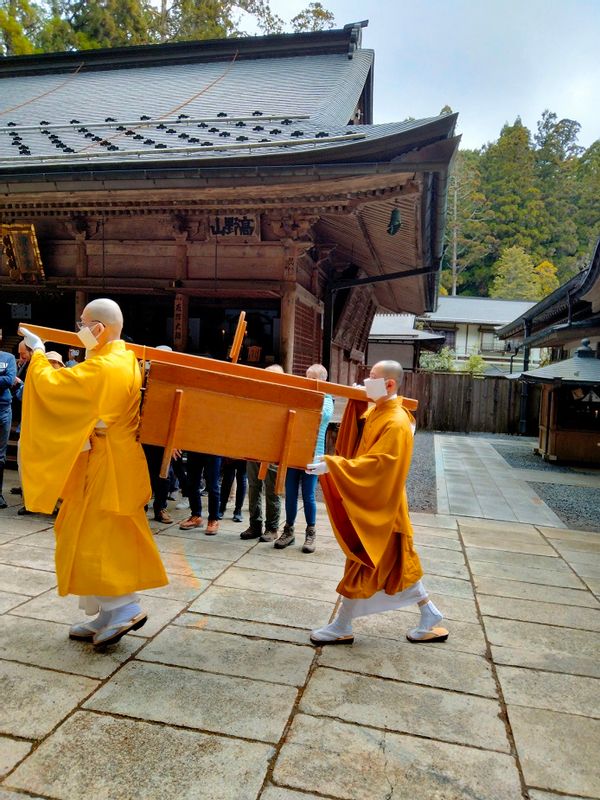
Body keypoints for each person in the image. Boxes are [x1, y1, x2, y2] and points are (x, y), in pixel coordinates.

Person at [19, 299, 168, 648]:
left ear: (98, 329)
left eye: (82, 324)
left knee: (100, 536)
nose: (79, 331)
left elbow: (58, 389)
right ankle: (106, 609)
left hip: (109, 464)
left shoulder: (107, 366)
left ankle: (123, 606)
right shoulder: (119, 357)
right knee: (84, 530)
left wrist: (39, 354)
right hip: (107, 458)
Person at [306, 360, 448, 646]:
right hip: (387, 506)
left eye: (371, 377)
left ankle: (342, 625)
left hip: (385, 508)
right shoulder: (382, 410)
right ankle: (429, 613)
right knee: (398, 568)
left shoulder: (395, 421)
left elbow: (379, 465)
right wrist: (360, 401)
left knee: (364, 562)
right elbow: (362, 435)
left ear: (390, 384)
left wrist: (334, 465)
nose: (365, 381)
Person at [278, 363, 334, 553]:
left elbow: (323, 415)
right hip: (294, 449)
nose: (308, 381)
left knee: (308, 495)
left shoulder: (327, 399)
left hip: (313, 453)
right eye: (307, 377)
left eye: (312, 378)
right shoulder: (301, 395)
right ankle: (289, 530)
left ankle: (311, 532)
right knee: (290, 492)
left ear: (322, 380)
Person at [240, 363, 283, 542]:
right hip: (255, 448)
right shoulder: (257, 394)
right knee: (254, 487)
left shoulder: (284, 397)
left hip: (273, 451)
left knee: (272, 490)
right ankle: (255, 524)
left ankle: (272, 528)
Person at [179, 451, 221, 534]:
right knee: (192, 484)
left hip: (214, 448)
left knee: (212, 486)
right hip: (194, 449)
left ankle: (213, 519)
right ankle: (196, 516)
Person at [0, 335, 17, 509]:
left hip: (3, 409)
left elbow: (10, 379)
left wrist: (4, 380)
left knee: (0, 455)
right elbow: (4, 380)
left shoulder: (8, 358)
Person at [218, 458, 246, 522]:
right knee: (227, 478)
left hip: (244, 451)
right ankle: (222, 507)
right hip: (230, 452)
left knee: (241, 478)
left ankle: (238, 510)